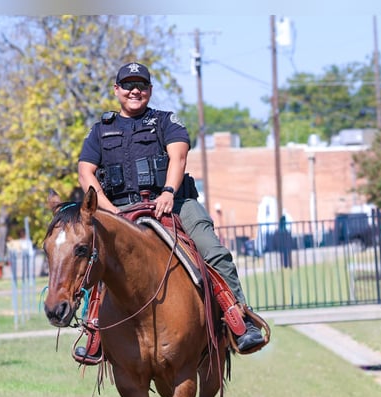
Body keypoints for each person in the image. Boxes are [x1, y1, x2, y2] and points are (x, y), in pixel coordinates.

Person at [74, 61, 265, 362]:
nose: (134, 90)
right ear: (117, 90)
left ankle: (238, 319)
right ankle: (94, 331)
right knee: (95, 258)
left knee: (212, 250)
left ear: (149, 90)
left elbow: (178, 158)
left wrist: (168, 191)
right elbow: (86, 171)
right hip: (119, 209)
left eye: (141, 85)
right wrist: (109, 210)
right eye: (128, 85)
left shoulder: (166, 121)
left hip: (172, 203)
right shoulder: (100, 130)